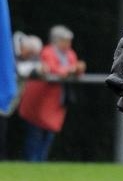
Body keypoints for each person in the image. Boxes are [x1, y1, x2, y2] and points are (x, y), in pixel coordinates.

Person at [18, 25, 86, 161]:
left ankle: (41, 163)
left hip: (55, 104)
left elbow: (74, 70)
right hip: (39, 101)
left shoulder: (70, 54)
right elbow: (54, 70)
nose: (68, 44)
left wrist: (78, 69)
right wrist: (70, 70)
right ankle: (30, 164)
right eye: (65, 40)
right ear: (57, 40)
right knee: (34, 136)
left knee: (48, 136)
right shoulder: (47, 52)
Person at [0, 32, 44, 160]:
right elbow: (19, 69)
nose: (30, 55)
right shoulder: (10, 56)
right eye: (30, 52)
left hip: (6, 105)